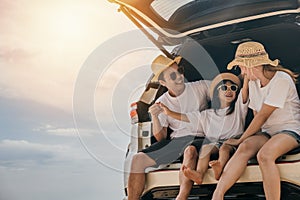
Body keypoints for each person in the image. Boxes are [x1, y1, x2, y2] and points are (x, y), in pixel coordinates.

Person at [211, 41, 300, 200]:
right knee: (245, 147)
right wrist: (245, 140)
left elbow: (262, 116)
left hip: (289, 131)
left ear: (252, 65)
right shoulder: (253, 83)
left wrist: (241, 138)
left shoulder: (281, 79)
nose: (242, 72)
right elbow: (256, 115)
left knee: (264, 156)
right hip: (267, 132)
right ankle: (218, 195)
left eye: (242, 67)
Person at [127, 55, 211, 200]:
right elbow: (161, 138)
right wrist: (154, 117)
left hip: (199, 138)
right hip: (175, 142)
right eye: (173, 75)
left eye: (180, 70)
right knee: (137, 159)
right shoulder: (161, 101)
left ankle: (181, 197)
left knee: (190, 151)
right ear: (163, 82)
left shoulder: (200, 87)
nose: (179, 76)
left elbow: (224, 86)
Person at [160, 72, 249, 187]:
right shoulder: (207, 114)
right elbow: (187, 118)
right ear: (216, 93)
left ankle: (219, 167)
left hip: (233, 141)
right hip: (215, 143)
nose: (229, 91)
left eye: (233, 88)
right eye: (224, 87)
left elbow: (245, 90)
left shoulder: (239, 108)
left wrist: (246, 74)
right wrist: (169, 113)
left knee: (224, 149)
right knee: (206, 148)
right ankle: (199, 174)